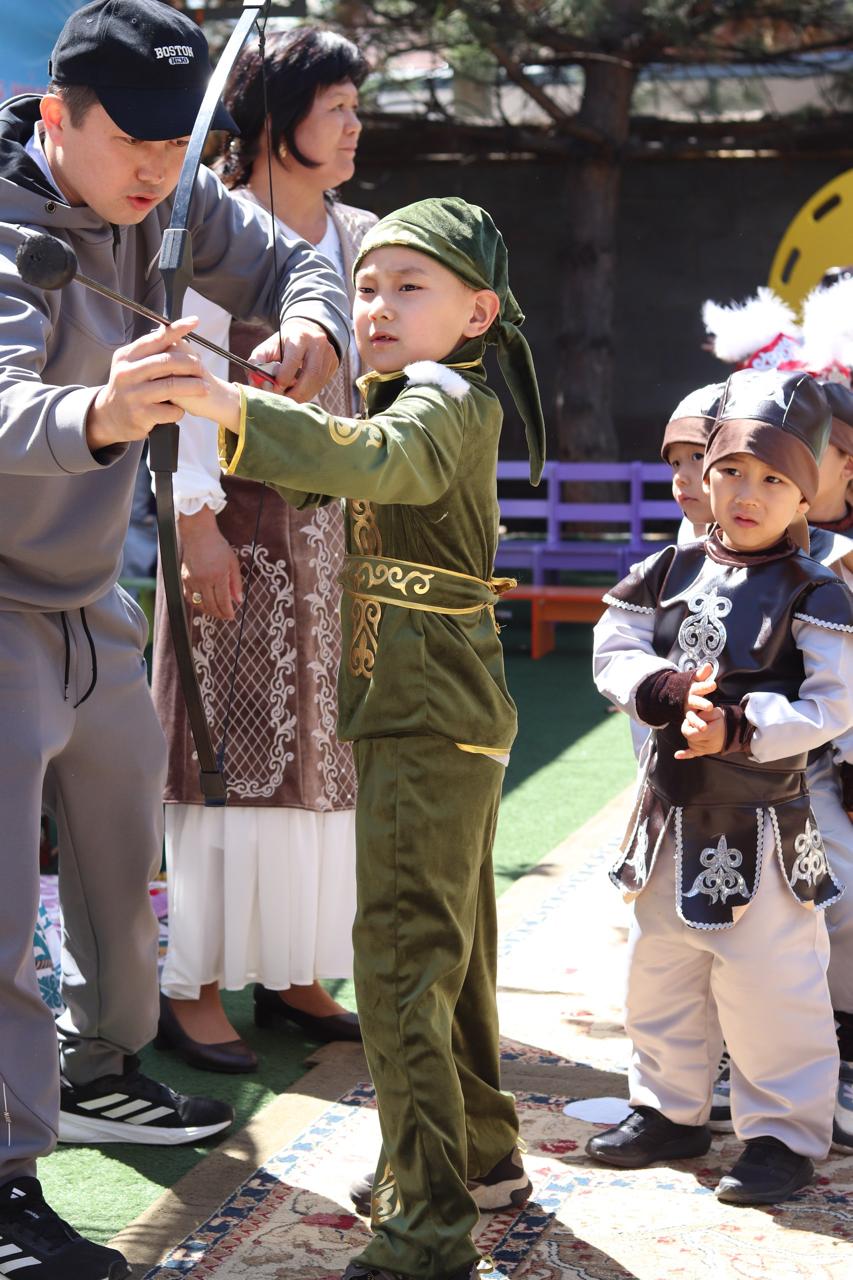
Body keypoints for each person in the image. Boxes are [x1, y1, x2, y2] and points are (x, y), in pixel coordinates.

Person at [0, 0, 351, 1274]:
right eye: (133, 140)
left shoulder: (177, 195)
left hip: (93, 594)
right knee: (0, 906)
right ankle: (4, 1186)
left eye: (175, 141)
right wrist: (100, 412)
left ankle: (100, 1067)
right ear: (57, 116)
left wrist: (311, 325)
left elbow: (302, 262)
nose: (157, 168)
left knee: (118, 864)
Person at [136, 195, 546, 1280]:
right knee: (448, 955)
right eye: (365, 286)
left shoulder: (440, 399)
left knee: (402, 961)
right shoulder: (414, 396)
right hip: (430, 711)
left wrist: (226, 400)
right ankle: (477, 1157)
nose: (376, 306)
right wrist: (248, 405)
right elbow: (344, 463)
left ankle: (428, 1228)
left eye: (409, 287)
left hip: (425, 715)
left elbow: (376, 461)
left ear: (477, 313)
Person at [152, 26, 377, 1070]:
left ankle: (294, 970)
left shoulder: (357, 234)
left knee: (321, 759)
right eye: (336, 108)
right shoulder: (218, 226)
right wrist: (194, 521)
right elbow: (182, 380)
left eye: (355, 107)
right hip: (234, 527)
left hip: (332, 540)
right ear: (279, 118)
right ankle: (191, 982)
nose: (355, 126)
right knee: (221, 755)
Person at [589, 368, 852, 1205]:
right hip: (669, 814)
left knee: (773, 984)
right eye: (731, 470)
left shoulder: (817, 591)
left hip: (763, 826)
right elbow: (614, 645)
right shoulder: (666, 569)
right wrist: (660, 689)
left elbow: (833, 702)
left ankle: (781, 1135)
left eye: (773, 479)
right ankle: (668, 1108)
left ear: (805, 495)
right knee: (659, 969)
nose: (746, 493)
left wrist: (738, 727)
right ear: (706, 475)